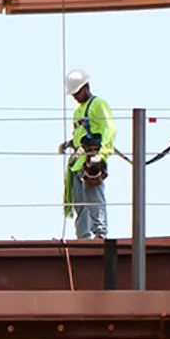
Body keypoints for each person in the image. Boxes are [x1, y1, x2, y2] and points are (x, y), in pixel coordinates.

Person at [58, 68, 116, 239]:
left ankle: (100, 233)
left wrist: (102, 155)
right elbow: (80, 135)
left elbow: (109, 129)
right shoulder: (78, 111)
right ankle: (83, 238)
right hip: (78, 161)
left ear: (86, 87)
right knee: (80, 203)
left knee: (94, 198)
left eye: (77, 93)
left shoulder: (98, 105)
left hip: (92, 159)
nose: (75, 97)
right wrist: (70, 143)